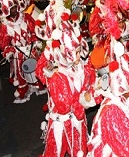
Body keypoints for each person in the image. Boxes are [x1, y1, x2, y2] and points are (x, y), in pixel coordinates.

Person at [36, 8, 97, 157]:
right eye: (74, 53)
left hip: (77, 123)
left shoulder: (81, 67)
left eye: (78, 52)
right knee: (55, 151)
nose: (78, 57)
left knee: (80, 152)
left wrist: (94, 92)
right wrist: (48, 50)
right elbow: (63, 106)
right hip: (60, 124)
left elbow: (90, 83)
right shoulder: (56, 75)